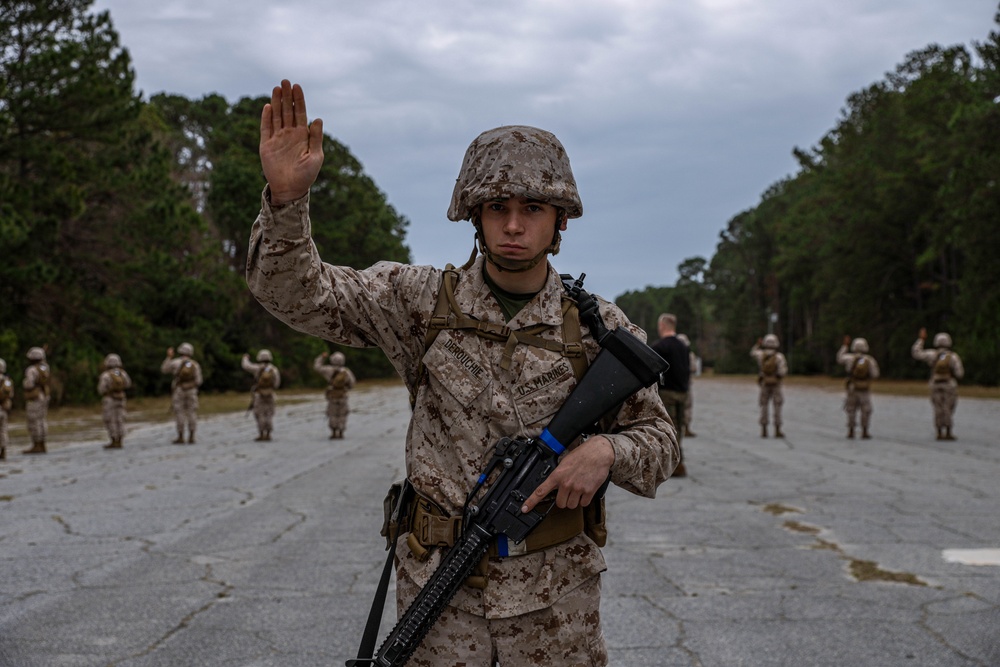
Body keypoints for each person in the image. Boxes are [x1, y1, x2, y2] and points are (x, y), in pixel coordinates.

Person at [247, 80, 677, 666]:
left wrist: (604, 451)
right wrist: (286, 201)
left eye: (532, 209)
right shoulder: (419, 301)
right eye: (498, 208)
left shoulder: (599, 327)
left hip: (556, 604)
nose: (514, 226)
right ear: (474, 215)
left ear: (561, 221)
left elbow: (660, 441)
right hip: (439, 591)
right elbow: (295, 293)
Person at [651, 314, 689, 477]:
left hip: (667, 393)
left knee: (667, 429)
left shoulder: (660, 347)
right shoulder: (683, 346)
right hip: (683, 393)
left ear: (662, 326)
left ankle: (672, 463)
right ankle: (678, 460)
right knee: (679, 427)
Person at [911, 328, 964, 440]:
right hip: (949, 385)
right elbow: (960, 373)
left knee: (938, 408)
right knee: (948, 408)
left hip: (935, 384)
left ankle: (939, 432)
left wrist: (921, 339)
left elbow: (916, 353)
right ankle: (948, 431)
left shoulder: (932, 354)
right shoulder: (953, 357)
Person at [836, 336, 880, 439]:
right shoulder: (869, 360)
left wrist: (844, 346)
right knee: (866, 410)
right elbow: (875, 374)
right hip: (864, 388)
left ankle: (851, 431)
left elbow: (839, 358)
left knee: (851, 410)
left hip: (852, 387)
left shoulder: (849, 358)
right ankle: (865, 431)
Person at [161, 342, 202, 444]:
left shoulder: (175, 363)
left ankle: (180, 436)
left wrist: (169, 357)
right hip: (192, 391)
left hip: (179, 391)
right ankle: (192, 436)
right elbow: (199, 381)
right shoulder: (195, 364)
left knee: (180, 413)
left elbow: (164, 369)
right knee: (192, 413)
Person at [750, 334, 787, 438]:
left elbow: (752, 353)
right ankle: (777, 429)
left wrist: (758, 345)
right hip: (776, 384)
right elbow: (782, 371)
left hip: (764, 383)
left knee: (764, 406)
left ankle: (764, 429)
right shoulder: (779, 357)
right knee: (777, 406)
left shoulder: (761, 355)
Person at [313, 350, 355, 439]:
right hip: (343, 395)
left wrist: (322, 357)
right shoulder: (346, 372)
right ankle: (341, 432)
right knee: (342, 414)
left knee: (332, 414)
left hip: (332, 396)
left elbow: (317, 367)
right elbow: (352, 383)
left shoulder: (328, 370)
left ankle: (333, 432)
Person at [242, 349, 281, 441]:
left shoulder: (257, 368)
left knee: (259, 414)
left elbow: (246, 366)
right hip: (270, 394)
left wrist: (245, 358)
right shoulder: (274, 369)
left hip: (259, 395)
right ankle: (268, 433)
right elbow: (277, 383)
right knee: (269, 414)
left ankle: (261, 433)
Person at [97, 353, 132, 449]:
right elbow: (128, 384)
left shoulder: (105, 375)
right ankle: (120, 440)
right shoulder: (122, 373)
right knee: (120, 419)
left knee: (110, 419)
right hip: (121, 398)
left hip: (109, 399)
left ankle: (113, 440)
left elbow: (101, 389)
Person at [22, 346, 50, 454]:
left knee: (34, 421)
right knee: (42, 420)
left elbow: (29, 384)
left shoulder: (31, 370)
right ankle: (42, 444)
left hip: (35, 396)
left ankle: (36, 444)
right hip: (44, 394)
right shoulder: (45, 368)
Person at [676, 332, 698, 437]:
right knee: (687, 406)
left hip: (675, 384)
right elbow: (694, 368)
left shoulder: (672, 353)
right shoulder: (689, 355)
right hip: (685, 384)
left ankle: (681, 427)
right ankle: (685, 428)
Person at [0, 358, 12, 461]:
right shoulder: (6, 380)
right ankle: (3, 451)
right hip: (4, 408)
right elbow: (10, 394)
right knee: (3, 430)